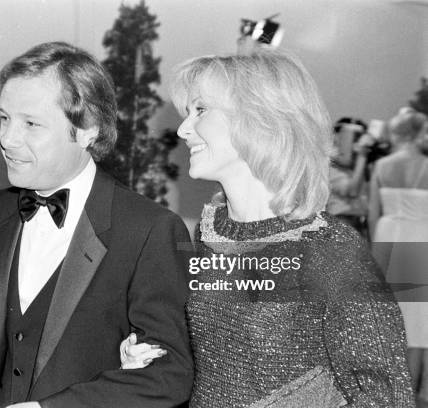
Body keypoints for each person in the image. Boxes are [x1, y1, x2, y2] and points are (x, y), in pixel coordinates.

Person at [120, 49, 415, 407]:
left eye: (200, 110)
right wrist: (156, 358)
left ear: (258, 118)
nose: (183, 130)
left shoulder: (329, 249)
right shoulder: (212, 235)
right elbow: (215, 358)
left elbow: (386, 396)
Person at [0, 41, 193, 408]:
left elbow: (168, 373)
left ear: (87, 130)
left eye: (31, 123)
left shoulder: (149, 229)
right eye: (4, 118)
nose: (6, 139)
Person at [368, 107, 428, 405]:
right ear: (420, 133)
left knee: (391, 318)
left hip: (387, 238)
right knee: (417, 324)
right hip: (420, 239)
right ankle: (414, 394)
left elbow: (372, 213)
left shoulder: (382, 166)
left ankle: (392, 393)